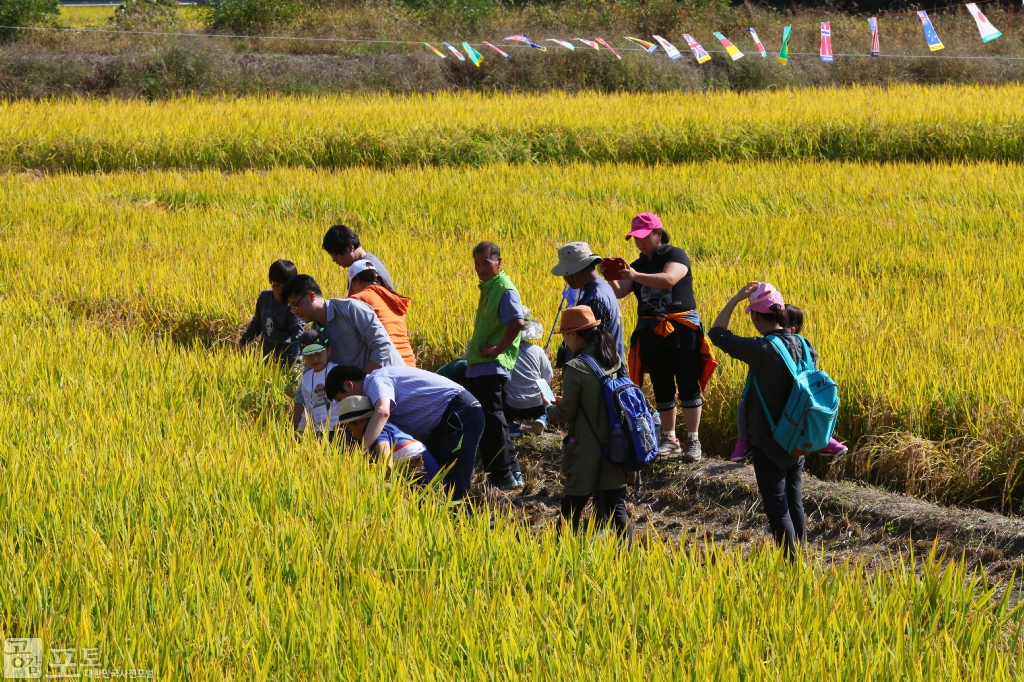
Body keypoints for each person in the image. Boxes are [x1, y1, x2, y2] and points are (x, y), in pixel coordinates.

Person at [709, 281, 812, 559]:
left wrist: (736, 298)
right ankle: (801, 558)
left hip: (769, 440)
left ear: (755, 317)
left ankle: (792, 564)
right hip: (798, 437)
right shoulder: (804, 344)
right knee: (794, 501)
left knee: (777, 507)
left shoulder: (760, 348)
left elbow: (717, 333)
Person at [604, 213, 716, 462]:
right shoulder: (638, 264)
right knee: (661, 385)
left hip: (681, 329)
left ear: (658, 233)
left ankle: (693, 439)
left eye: (644, 236)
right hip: (651, 331)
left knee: (688, 383)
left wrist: (633, 275)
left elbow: (669, 279)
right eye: (636, 238)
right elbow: (621, 292)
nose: (639, 242)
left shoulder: (675, 254)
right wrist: (610, 276)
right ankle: (669, 438)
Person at [325, 364, 484, 502]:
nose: (344, 404)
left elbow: (383, 411)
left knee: (457, 479)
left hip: (460, 413)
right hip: (443, 423)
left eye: (340, 399)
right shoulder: (373, 392)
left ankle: (461, 520)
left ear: (348, 385)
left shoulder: (374, 381)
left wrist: (362, 452)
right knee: (433, 469)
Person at [543, 306, 633, 541]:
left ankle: (561, 555)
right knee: (617, 507)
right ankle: (629, 555)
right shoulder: (613, 359)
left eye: (564, 335)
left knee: (571, 509)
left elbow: (566, 413)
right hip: (617, 445)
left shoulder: (575, 367)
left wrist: (549, 409)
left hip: (586, 451)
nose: (565, 342)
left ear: (574, 334)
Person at [729, 303, 848, 460]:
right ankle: (825, 440)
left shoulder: (785, 346)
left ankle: (744, 442)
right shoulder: (801, 345)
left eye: (781, 323)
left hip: (795, 395)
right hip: (802, 396)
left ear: (791, 330)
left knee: (809, 407)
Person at [465, 241, 526, 490]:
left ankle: (501, 475)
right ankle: (512, 472)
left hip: (491, 365)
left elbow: (518, 322)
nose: (480, 268)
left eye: (486, 263)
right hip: (482, 364)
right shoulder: (491, 287)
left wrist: (498, 348)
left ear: (499, 262)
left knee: (491, 422)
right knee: (495, 419)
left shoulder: (504, 289)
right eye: (477, 264)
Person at [281, 274, 404, 372]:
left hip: (392, 381)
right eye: (292, 309)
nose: (295, 313)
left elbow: (382, 345)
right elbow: (310, 372)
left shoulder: (351, 309)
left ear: (311, 296)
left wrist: (362, 380)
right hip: (360, 388)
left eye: (295, 306)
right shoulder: (315, 334)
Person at [335, 395, 441, 483]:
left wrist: (386, 475)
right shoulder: (384, 426)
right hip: (421, 465)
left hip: (421, 469)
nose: (352, 435)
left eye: (350, 429)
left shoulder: (374, 430)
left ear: (361, 421)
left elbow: (384, 452)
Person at [550, 242, 625, 362]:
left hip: (598, 372)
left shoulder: (594, 300)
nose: (564, 278)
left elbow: (595, 348)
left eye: (565, 273)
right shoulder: (603, 287)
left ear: (574, 271)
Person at [347, 259, 417, 367]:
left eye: (351, 286)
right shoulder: (393, 299)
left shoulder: (359, 299)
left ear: (357, 280)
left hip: (390, 363)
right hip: (410, 363)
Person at [238, 260, 305, 365]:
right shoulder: (264, 297)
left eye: (285, 287)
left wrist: (296, 363)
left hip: (285, 362)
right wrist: (243, 342)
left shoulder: (293, 306)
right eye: (277, 286)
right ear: (270, 281)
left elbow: (297, 335)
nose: (281, 290)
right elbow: (257, 323)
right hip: (265, 358)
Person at [503, 310, 554, 437]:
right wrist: (544, 357)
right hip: (537, 405)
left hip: (512, 407)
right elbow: (548, 376)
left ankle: (511, 425)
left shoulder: (503, 351)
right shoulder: (538, 351)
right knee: (547, 391)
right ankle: (541, 418)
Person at [291, 327, 339, 441]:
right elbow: (307, 407)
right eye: (308, 355)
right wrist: (300, 430)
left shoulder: (337, 371)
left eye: (318, 353)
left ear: (328, 351)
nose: (314, 359)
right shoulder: (306, 379)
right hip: (317, 432)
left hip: (338, 429)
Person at [322, 224, 395, 291]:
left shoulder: (364, 269)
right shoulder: (369, 261)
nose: (334, 260)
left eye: (335, 255)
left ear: (350, 248)